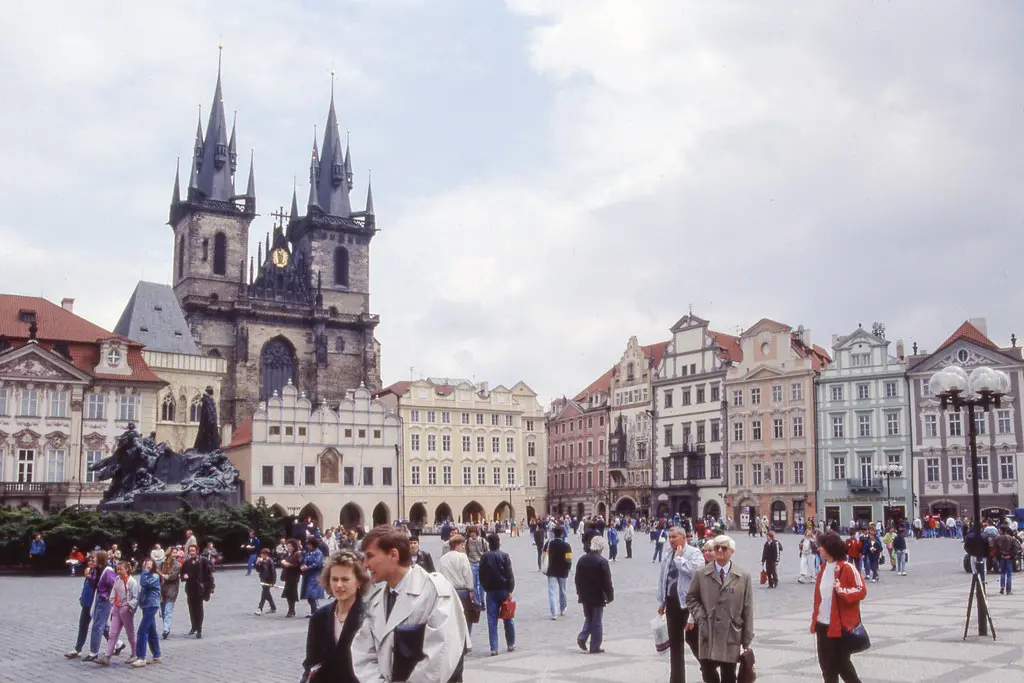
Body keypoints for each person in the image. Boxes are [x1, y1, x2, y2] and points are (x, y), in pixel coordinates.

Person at [351, 525, 467, 682]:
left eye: (370, 556)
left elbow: (440, 657)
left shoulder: (436, 592)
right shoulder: (375, 601)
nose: (365, 564)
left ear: (393, 555)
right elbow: (362, 653)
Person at [685, 536, 754, 683]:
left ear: (732, 552)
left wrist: (747, 637)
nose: (720, 551)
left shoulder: (743, 576)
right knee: (708, 674)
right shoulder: (701, 573)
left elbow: (748, 608)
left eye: (724, 548)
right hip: (707, 632)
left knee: (729, 676)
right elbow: (691, 598)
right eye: (717, 548)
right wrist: (701, 617)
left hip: (731, 633)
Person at [303, 551, 369, 683]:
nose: (339, 585)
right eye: (334, 579)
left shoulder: (369, 616)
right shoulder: (319, 617)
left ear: (359, 581)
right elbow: (311, 662)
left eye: (345, 579)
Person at [811, 531, 867, 683]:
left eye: (822, 547)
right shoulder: (822, 569)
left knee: (843, 666)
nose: (819, 549)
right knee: (827, 668)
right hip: (822, 624)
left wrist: (842, 591)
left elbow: (861, 589)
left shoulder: (847, 567)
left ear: (830, 549)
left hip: (839, 626)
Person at [658, 527, 705, 683]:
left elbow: (697, 572)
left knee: (694, 641)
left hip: (689, 605)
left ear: (683, 538)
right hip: (672, 603)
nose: (671, 539)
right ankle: (676, 680)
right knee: (675, 646)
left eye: (674, 537)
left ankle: (708, 670)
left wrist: (679, 559)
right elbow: (663, 579)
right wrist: (662, 601)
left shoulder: (694, 553)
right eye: (669, 536)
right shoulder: (667, 555)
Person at [574, 534, 613, 654]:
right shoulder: (602, 562)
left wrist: (579, 592)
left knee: (589, 617)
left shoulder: (582, 559)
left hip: (584, 594)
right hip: (597, 595)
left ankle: (583, 637)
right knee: (596, 621)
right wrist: (610, 595)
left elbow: (577, 578)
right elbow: (607, 581)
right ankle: (595, 645)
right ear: (601, 547)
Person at [479, 532, 516, 656]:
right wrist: (510, 590)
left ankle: (494, 648)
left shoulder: (484, 557)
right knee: (508, 617)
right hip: (504, 590)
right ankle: (510, 643)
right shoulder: (504, 556)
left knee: (491, 620)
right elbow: (510, 575)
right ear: (499, 542)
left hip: (491, 591)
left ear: (489, 544)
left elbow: (481, 575)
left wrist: (485, 587)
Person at [96, 561, 139, 666]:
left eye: (121, 569)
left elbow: (136, 597)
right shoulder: (117, 579)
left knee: (130, 633)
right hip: (116, 608)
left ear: (127, 569)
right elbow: (113, 593)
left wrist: (128, 606)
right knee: (113, 633)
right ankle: (107, 656)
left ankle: (135, 653)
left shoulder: (132, 582)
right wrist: (112, 602)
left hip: (126, 609)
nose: (118, 571)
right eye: (117, 569)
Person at [439, 535, 476, 648]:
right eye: (462, 544)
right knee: (466, 617)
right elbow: (467, 574)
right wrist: (471, 589)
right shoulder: (462, 557)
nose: (463, 547)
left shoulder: (443, 558)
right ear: (456, 545)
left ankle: (453, 642)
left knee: (452, 618)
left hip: (449, 591)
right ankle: (465, 640)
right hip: (462, 591)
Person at [65, 553, 99, 658]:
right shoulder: (90, 572)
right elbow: (86, 587)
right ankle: (78, 648)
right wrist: (82, 597)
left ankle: (117, 644)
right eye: (89, 561)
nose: (90, 563)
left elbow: (96, 586)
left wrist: (89, 577)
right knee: (83, 626)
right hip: (87, 603)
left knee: (101, 627)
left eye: (93, 561)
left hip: (93, 604)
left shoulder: (97, 573)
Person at [181, 543, 214, 638]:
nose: (191, 553)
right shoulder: (187, 562)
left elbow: (209, 574)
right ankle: (193, 626)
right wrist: (184, 576)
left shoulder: (202, 561)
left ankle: (199, 628)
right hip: (190, 588)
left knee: (199, 608)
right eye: (190, 551)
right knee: (191, 608)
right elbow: (182, 573)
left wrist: (210, 587)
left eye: (193, 551)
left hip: (199, 588)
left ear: (197, 551)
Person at [133, 557, 162, 667]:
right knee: (151, 630)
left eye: (149, 563)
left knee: (142, 630)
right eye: (145, 563)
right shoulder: (146, 575)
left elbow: (144, 583)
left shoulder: (154, 576)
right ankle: (157, 655)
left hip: (152, 605)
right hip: (146, 605)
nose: (147, 565)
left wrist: (145, 571)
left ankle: (141, 657)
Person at [993, 525, 1022, 595]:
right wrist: (1011, 555)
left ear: (1001, 530)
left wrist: (999, 556)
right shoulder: (1011, 538)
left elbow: (995, 549)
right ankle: (1008, 590)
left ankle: (1002, 587)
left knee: (1002, 572)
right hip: (1009, 558)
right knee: (1009, 574)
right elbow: (1016, 548)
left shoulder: (997, 538)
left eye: (999, 530)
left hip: (1002, 557)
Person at [301, 538, 326, 617]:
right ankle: (313, 611)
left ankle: (315, 612)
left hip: (315, 575)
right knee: (308, 595)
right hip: (308, 575)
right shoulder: (308, 552)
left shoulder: (318, 553)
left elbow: (318, 564)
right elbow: (304, 561)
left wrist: (307, 567)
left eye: (309, 544)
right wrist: (303, 565)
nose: (308, 546)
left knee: (312, 594)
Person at [159, 551, 181, 639]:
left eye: (176, 553)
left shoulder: (177, 565)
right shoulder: (162, 564)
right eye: (173, 553)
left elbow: (173, 576)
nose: (175, 554)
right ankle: (166, 627)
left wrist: (164, 576)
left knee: (168, 610)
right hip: (162, 590)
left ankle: (165, 629)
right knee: (163, 610)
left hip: (172, 589)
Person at [466, 526, 487, 608]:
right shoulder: (467, 542)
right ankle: (477, 602)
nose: (472, 535)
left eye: (473, 533)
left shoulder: (482, 540)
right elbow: (466, 553)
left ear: (476, 533)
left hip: (481, 563)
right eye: (471, 533)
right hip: (471, 564)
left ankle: (482, 600)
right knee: (473, 584)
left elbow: (487, 551)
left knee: (482, 584)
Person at [281, 538, 303, 617]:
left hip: (294, 576)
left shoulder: (297, 554)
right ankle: (291, 609)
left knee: (292, 593)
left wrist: (289, 564)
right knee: (287, 593)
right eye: (288, 546)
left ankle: (291, 610)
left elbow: (298, 565)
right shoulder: (286, 554)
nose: (288, 548)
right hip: (287, 576)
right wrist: (283, 562)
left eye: (290, 546)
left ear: (294, 547)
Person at [255, 548, 278, 615]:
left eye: (262, 555)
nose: (261, 556)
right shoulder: (262, 561)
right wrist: (257, 563)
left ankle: (260, 608)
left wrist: (273, 582)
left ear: (266, 555)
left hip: (268, 580)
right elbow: (258, 570)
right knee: (267, 594)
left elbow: (273, 572)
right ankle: (273, 607)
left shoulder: (270, 561)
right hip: (263, 579)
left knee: (264, 594)